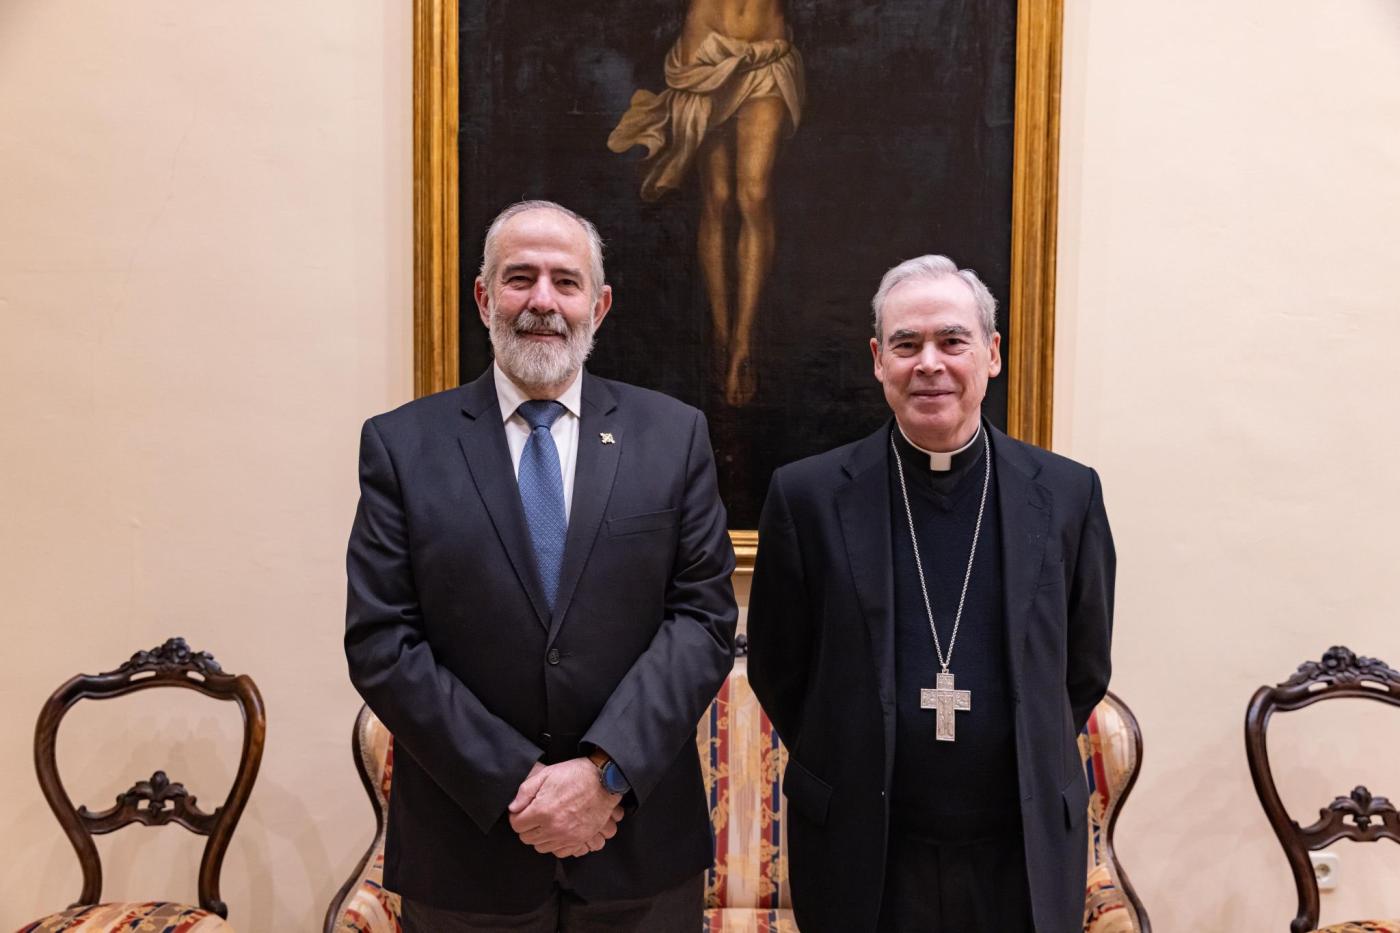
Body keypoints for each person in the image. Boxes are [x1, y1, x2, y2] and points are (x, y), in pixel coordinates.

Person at [345, 200, 738, 931]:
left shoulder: (673, 436)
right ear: (483, 296)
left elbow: (703, 620)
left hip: (639, 851)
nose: (543, 301)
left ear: (600, 304)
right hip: (468, 855)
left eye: (566, 280)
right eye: (520, 278)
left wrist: (604, 773)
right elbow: (382, 642)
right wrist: (517, 783)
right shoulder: (402, 446)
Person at [746, 255, 1115, 933]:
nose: (929, 363)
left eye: (952, 340)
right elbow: (778, 668)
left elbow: (1085, 666)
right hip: (865, 850)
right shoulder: (807, 497)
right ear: (877, 360)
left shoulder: (1068, 494)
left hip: (1020, 850)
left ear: (992, 354)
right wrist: (852, 752)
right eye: (906, 344)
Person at [607, 0, 804, 407]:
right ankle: (720, 332)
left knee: (754, 195)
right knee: (717, 198)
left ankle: (744, 341)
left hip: (767, 55)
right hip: (704, 58)